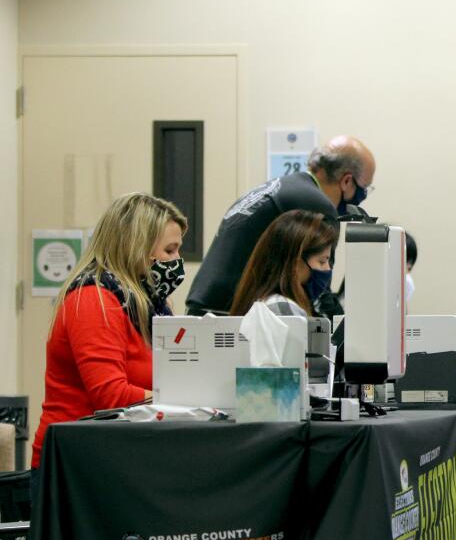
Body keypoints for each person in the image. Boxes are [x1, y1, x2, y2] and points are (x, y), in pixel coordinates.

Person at [31, 193, 188, 474]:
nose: (178, 261)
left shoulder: (149, 305)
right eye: (170, 250)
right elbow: (109, 394)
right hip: (75, 465)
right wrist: (189, 402)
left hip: (115, 455)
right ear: (136, 247)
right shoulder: (93, 300)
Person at [187, 136, 375, 314]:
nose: (363, 196)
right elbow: (319, 293)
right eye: (365, 187)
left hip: (203, 305)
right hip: (231, 315)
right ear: (347, 181)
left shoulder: (281, 187)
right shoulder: (319, 207)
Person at [228, 210, 337, 317]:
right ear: (295, 263)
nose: (328, 268)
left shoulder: (268, 303)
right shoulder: (281, 310)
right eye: (322, 261)